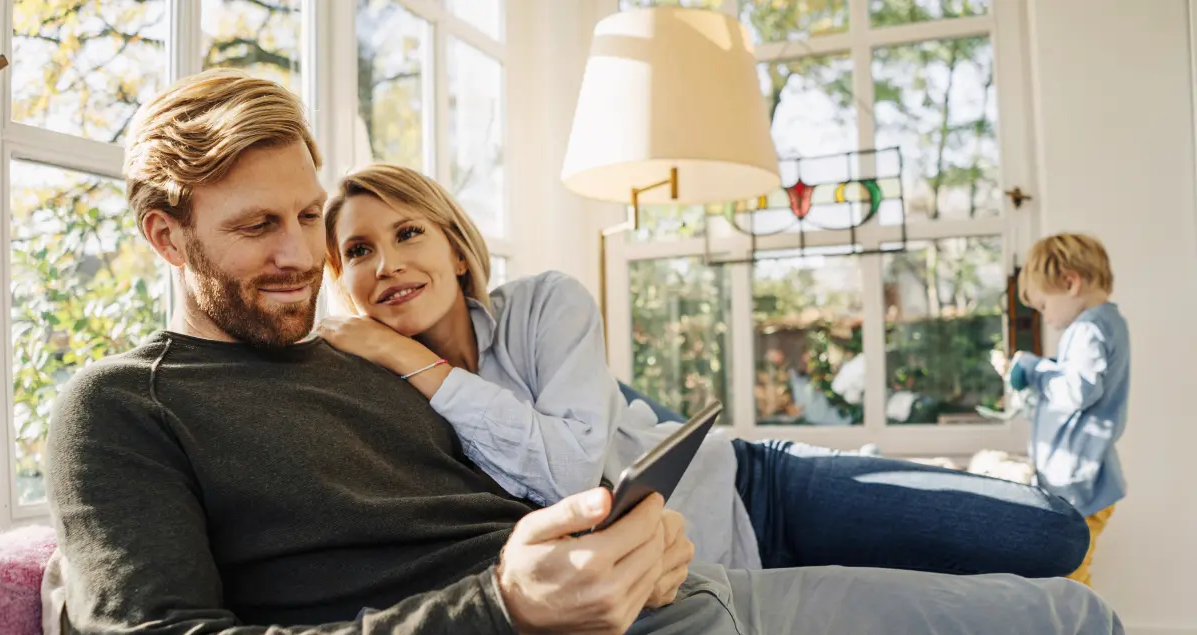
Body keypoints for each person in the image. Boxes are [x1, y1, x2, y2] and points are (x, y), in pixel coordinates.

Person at [47, 70, 1194, 635]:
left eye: (309, 217)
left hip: (692, 590)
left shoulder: (363, 356)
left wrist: (627, 529)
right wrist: (506, 613)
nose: (303, 255)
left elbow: (527, 475)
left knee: (1079, 621)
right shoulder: (122, 406)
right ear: (164, 233)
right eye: (260, 228)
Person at [316, 163, 1090, 578]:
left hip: (756, 491)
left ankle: (871, 470)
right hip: (696, 573)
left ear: (456, 250)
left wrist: (410, 357)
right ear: (342, 279)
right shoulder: (371, 399)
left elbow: (572, 474)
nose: (386, 264)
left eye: (408, 233)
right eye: (358, 251)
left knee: (1048, 535)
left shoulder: (545, 303)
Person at [1009, 233, 1130, 586]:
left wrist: (1034, 369)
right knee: (1068, 577)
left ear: (1070, 283)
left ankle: (1080, 625)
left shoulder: (1089, 328)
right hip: (1082, 480)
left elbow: (1077, 391)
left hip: (1081, 484)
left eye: (1043, 305)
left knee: (1068, 581)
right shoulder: (1106, 323)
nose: (1044, 317)